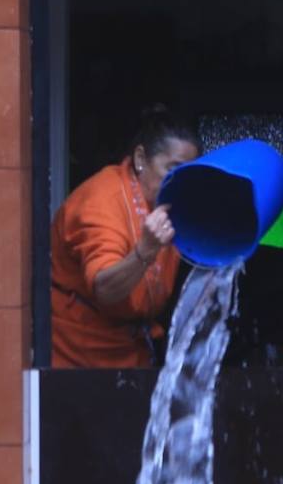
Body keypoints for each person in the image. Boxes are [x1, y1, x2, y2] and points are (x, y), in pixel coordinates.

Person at [50, 106, 201, 368]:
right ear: (140, 158)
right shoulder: (101, 202)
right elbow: (105, 289)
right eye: (173, 170)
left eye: (189, 174)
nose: (181, 182)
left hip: (134, 350)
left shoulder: (170, 200)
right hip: (77, 360)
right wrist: (146, 250)